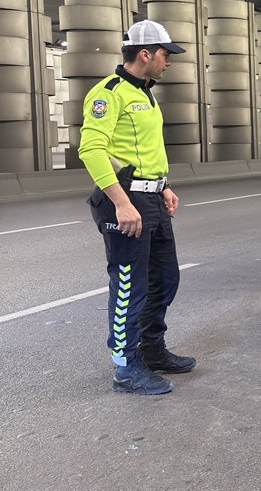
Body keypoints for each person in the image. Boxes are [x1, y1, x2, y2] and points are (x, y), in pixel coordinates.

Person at [79, 20, 195, 396]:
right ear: (145, 54)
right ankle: (126, 368)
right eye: (166, 54)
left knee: (165, 279)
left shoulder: (145, 92)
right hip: (126, 201)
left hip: (152, 197)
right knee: (131, 286)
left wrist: (163, 185)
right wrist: (122, 202)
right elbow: (91, 150)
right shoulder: (107, 94)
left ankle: (151, 350)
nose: (169, 61)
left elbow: (141, 150)